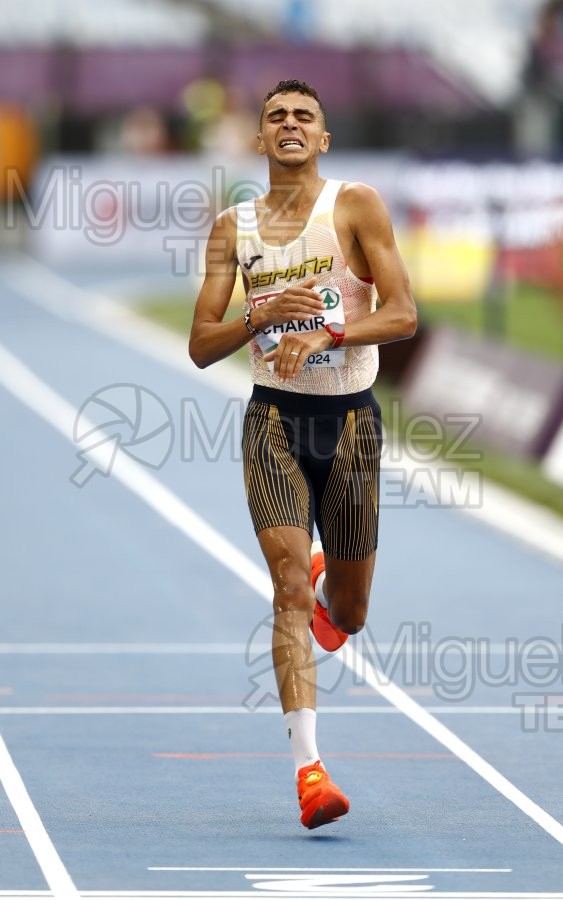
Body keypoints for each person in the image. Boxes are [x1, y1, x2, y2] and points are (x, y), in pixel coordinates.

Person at [189, 79, 417, 829]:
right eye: (275, 117)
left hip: (349, 424)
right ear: (259, 140)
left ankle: (331, 592)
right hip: (273, 425)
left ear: (321, 139)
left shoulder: (354, 206)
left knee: (345, 614)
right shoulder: (231, 227)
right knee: (285, 588)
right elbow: (198, 346)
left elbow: (403, 313)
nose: (288, 125)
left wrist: (329, 332)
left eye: (303, 117)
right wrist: (257, 315)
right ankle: (309, 773)